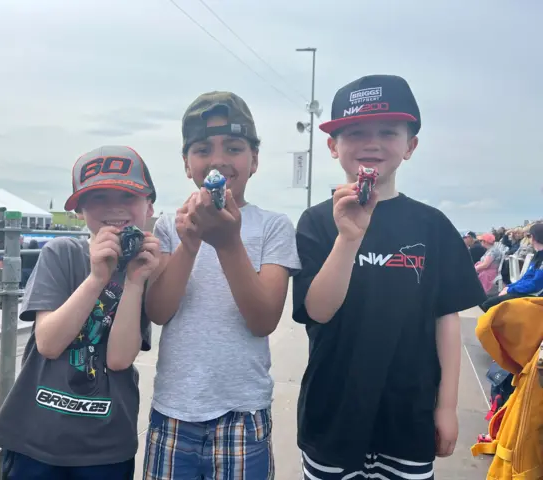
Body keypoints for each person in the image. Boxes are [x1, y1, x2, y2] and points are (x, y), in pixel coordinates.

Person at [292, 74, 487, 480]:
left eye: (388, 131)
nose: (372, 142)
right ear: (333, 146)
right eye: (355, 131)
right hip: (333, 414)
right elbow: (318, 310)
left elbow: (446, 319)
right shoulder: (316, 222)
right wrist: (349, 237)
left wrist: (446, 407)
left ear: (410, 146)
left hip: (408, 414)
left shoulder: (431, 226)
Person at [142, 91, 301, 479]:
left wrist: (228, 242)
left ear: (255, 160)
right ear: (186, 164)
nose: (217, 161)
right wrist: (190, 243)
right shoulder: (169, 226)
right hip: (174, 411)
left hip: (244, 414)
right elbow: (159, 311)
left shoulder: (274, 226)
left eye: (233, 147)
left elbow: (263, 319)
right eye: (202, 149)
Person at [0, 145, 160, 479]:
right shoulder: (61, 252)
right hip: (36, 436)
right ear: (79, 209)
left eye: (127, 196)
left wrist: (135, 282)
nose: (114, 207)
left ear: (148, 204)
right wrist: (97, 277)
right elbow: (49, 343)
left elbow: (120, 359)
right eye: (98, 198)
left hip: (107, 445)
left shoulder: (143, 268)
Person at [481, 222, 543, 311]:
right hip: (529, 292)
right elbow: (527, 277)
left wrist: (511, 290)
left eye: (528, 236)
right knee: (486, 300)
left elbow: (535, 285)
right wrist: (509, 287)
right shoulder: (538, 255)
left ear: (533, 238)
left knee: (488, 304)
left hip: (534, 297)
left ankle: (491, 324)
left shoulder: (540, 258)